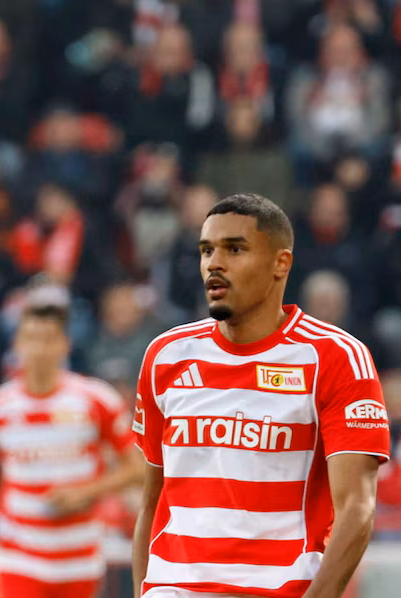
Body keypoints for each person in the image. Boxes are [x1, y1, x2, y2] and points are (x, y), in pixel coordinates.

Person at [131, 193, 390, 597]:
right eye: (207, 250)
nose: (214, 263)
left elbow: (357, 508)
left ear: (280, 263)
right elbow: (151, 501)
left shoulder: (335, 357)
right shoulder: (166, 356)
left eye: (234, 249)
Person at [0, 300, 144, 598]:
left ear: (65, 345)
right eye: (32, 338)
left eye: (49, 339)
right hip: (18, 556)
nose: (40, 348)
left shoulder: (96, 400)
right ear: (17, 344)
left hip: (79, 555)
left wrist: (86, 492)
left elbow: (138, 469)